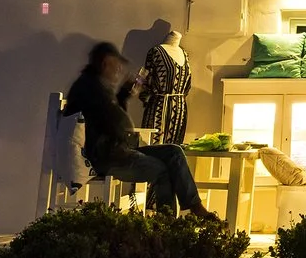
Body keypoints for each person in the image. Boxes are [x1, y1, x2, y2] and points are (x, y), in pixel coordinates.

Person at [66, 42, 210, 218]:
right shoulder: (89, 88)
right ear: (104, 63)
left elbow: (110, 116)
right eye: (115, 65)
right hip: (107, 158)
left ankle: (194, 205)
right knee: (162, 170)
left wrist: (124, 95)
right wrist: (126, 126)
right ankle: (168, 224)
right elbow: (114, 122)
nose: (118, 70)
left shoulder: (97, 87)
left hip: (118, 149)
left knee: (174, 151)